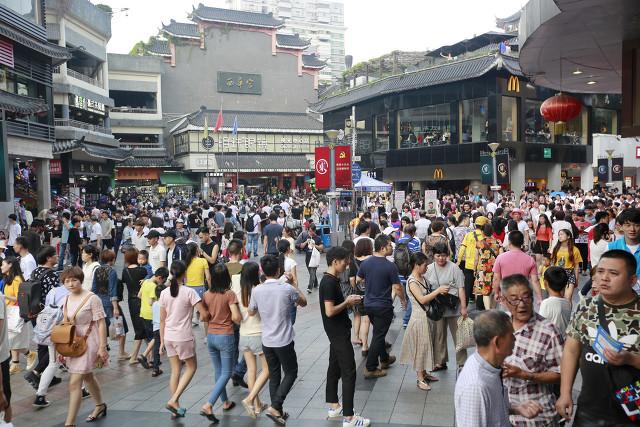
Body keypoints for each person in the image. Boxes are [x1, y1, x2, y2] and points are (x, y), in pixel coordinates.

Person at [556, 250, 640, 426]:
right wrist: (565, 393)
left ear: (632, 280)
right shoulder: (586, 305)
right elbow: (571, 350)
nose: (604, 278)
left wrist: (630, 359)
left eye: (614, 273)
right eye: (600, 271)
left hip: (632, 411)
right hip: (590, 411)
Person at [454, 310, 543, 427]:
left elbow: (492, 411)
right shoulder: (475, 387)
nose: (514, 339)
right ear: (497, 342)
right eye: (511, 335)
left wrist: (516, 408)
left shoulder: (488, 365)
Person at [248, 255, 308, 425]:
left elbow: (251, 312)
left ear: (263, 271)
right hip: (284, 340)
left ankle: (277, 411)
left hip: (267, 340)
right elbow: (303, 302)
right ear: (278, 270)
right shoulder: (286, 289)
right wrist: (293, 284)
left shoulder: (257, 290)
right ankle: (276, 406)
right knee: (291, 372)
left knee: (274, 375)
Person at [500, 274, 563, 426]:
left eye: (526, 297)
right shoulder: (500, 325)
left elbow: (561, 374)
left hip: (537, 418)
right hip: (504, 414)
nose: (521, 304)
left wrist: (524, 374)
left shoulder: (548, 331)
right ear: (504, 301)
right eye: (514, 299)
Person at [319, 246, 371, 427]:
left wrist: (347, 302)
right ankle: (349, 417)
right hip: (337, 332)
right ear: (335, 262)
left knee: (334, 366)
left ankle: (334, 405)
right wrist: (347, 302)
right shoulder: (328, 282)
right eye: (345, 261)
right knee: (349, 371)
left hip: (337, 331)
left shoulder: (331, 280)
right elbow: (329, 311)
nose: (347, 265)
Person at [159, 260, 209, 418]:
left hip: (168, 336)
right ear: (184, 274)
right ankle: (173, 400)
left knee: (175, 371)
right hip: (183, 336)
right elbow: (204, 314)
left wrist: (161, 342)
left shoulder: (164, 293)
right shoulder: (189, 292)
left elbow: (162, 320)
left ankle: (176, 407)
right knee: (191, 367)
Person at [61, 266, 109, 427]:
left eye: (74, 280)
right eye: (67, 281)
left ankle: (70, 423)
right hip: (74, 342)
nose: (71, 284)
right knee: (87, 375)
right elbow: (65, 322)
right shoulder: (67, 298)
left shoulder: (92, 298)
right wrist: (62, 347)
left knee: (75, 382)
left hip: (89, 341)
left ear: (80, 280)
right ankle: (100, 405)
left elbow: (101, 323)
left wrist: (102, 346)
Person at [356, 234, 406, 378]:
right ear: (383, 248)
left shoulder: (366, 263)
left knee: (379, 332)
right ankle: (370, 367)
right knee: (378, 335)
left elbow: (358, 280)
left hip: (368, 305)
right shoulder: (390, 266)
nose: (392, 247)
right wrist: (403, 300)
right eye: (390, 245)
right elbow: (397, 287)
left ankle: (384, 359)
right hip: (383, 306)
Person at [400, 252, 448, 390]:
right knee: (420, 348)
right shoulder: (412, 281)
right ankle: (420, 378)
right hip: (419, 319)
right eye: (425, 266)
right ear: (416, 265)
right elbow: (422, 299)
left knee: (427, 346)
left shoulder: (422, 278)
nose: (427, 268)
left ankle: (425, 373)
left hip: (427, 318)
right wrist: (438, 290)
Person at [199, 263, 241, 422]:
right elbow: (236, 317)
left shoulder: (207, 294)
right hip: (225, 336)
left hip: (211, 336)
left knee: (218, 371)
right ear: (226, 278)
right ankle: (209, 404)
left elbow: (203, 316)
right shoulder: (229, 294)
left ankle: (225, 402)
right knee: (226, 372)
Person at [426, 242, 468, 370]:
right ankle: (440, 361)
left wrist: (463, 308)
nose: (441, 258)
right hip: (438, 308)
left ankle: (462, 362)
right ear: (433, 255)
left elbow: (461, 288)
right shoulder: (429, 269)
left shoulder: (454, 268)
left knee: (458, 336)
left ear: (448, 255)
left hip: (453, 306)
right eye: (438, 255)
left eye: (444, 255)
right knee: (439, 335)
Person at [236, 262, 269, 418]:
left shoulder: (238, 291)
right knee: (267, 370)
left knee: (251, 371)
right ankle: (250, 400)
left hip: (244, 335)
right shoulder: (258, 291)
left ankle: (257, 405)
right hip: (258, 334)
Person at [2, 257, 36, 375]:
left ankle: (28, 354)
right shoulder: (8, 278)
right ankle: (17, 362)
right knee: (14, 339)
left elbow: (19, 298)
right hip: (10, 311)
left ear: (10, 265)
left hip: (16, 312)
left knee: (11, 340)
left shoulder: (17, 280)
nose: (1, 266)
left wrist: (3, 297)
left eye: (3, 264)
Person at [492, 231, 542, 303]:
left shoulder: (500, 258)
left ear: (509, 242)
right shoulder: (530, 260)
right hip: (523, 296)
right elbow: (535, 281)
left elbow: (496, 279)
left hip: (506, 295)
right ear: (522, 242)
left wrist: (496, 293)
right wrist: (539, 298)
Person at [137, 267, 169, 371]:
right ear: (160, 278)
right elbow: (152, 302)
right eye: (163, 281)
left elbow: (139, 295)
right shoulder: (153, 287)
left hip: (143, 313)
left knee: (151, 338)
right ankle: (145, 355)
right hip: (152, 315)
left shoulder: (146, 282)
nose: (162, 283)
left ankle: (151, 360)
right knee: (156, 337)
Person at [121, 248, 149, 365]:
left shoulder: (125, 271)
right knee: (143, 328)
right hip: (142, 300)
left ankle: (150, 354)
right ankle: (134, 357)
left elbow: (124, 282)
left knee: (141, 328)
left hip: (131, 302)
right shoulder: (142, 271)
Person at [608, 208, 640, 293]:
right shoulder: (611, 248)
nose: (632, 229)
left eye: (636, 225)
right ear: (621, 226)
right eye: (628, 225)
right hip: (619, 296)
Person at [457, 216, 489, 303]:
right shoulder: (484, 237)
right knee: (480, 287)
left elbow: (462, 249)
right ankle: (480, 306)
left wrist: (458, 262)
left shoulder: (468, 235)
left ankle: (464, 306)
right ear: (484, 226)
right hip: (480, 266)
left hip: (468, 265)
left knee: (467, 287)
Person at [473, 223, 502, 310]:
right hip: (495, 269)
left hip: (483, 270)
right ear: (492, 231)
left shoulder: (479, 243)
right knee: (494, 290)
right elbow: (501, 257)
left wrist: (474, 270)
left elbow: (475, 259)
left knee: (485, 292)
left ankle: (488, 310)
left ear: (482, 232)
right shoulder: (497, 242)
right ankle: (493, 310)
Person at [539, 267, 572, 337]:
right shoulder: (567, 303)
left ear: (545, 283)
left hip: (551, 343)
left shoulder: (546, 304)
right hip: (563, 341)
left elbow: (540, 327)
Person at [353, 238, 373, 356]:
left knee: (364, 319)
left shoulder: (353, 261)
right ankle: (370, 345)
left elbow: (353, 279)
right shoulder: (371, 260)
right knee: (371, 321)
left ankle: (365, 345)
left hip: (358, 295)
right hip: (371, 293)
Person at [551, 229, 582, 302]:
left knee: (568, 298)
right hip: (558, 273)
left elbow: (577, 266)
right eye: (559, 235)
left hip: (570, 274)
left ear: (568, 236)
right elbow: (552, 262)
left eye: (562, 234)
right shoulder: (556, 248)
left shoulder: (575, 250)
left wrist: (576, 279)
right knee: (560, 298)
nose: (559, 236)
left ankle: (568, 313)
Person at [295, 224, 324, 294]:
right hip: (308, 258)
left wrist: (315, 245)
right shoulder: (306, 237)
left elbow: (321, 247)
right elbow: (301, 246)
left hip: (315, 258)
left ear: (314, 231)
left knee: (312, 272)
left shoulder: (318, 238)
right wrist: (306, 242)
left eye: (311, 231)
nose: (310, 233)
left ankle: (309, 287)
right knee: (311, 273)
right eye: (309, 231)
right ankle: (316, 283)